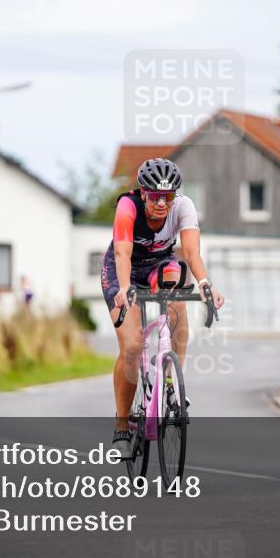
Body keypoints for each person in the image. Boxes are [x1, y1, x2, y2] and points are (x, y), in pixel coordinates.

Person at [101, 158, 224, 455]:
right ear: (143, 193)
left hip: (159, 266)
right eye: (155, 197)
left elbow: (192, 253)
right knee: (131, 347)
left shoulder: (183, 206)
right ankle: (121, 425)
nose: (161, 204)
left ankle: (172, 386)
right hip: (124, 270)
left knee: (178, 293)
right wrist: (126, 288)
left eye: (167, 197)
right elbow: (122, 252)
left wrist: (206, 283)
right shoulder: (127, 207)